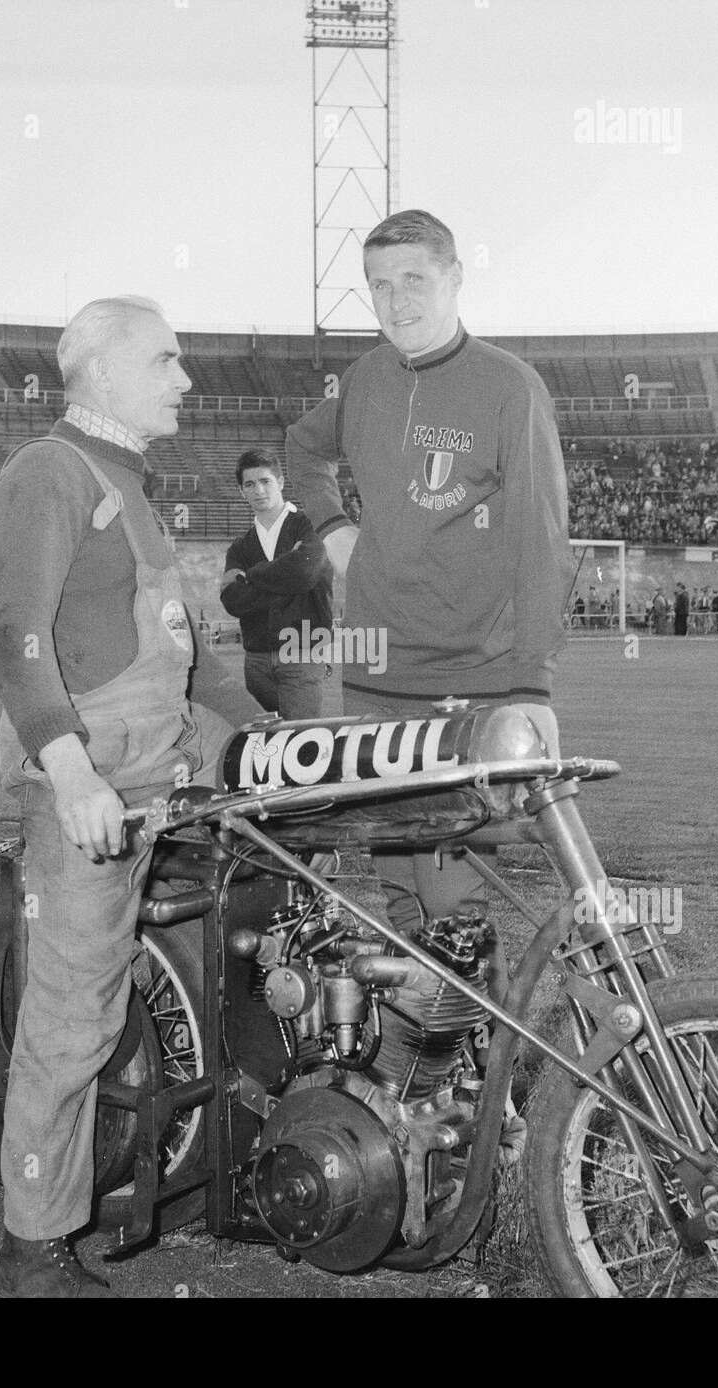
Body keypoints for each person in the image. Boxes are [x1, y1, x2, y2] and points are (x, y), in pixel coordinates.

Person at [0, 296, 258, 1297]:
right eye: (167, 360)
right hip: (89, 798)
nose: (186, 379)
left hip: (159, 786)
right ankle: (32, 1245)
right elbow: (13, 636)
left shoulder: (129, 487)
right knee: (70, 1014)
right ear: (100, 371)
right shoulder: (48, 473)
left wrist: (276, 736)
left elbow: (193, 659)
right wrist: (72, 771)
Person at [287, 207, 571, 951]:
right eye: (379, 284)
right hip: (376, 678)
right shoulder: (364, 377)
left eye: (415, 278)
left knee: (453, 909)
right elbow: (301, 449)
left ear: (455, 278)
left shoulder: (510, 388)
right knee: (400, 902)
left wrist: (531, 685)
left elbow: (541, 542)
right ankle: (423, 1065)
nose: (396, 298)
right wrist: (333, 528)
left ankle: (476, 1065)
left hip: (466, 684)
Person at [220, 447, 332, 719]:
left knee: (301, 747)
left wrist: (254, 575)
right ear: (241, 491)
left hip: (301, 652)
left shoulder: (310, 526)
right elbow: (232, 599)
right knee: (266, 751)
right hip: (256, 661)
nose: (258, 490)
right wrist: (286, 579)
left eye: (265, 481)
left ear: (280, 483)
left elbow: (304, 573)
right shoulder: (240, 546)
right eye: (250, 484)